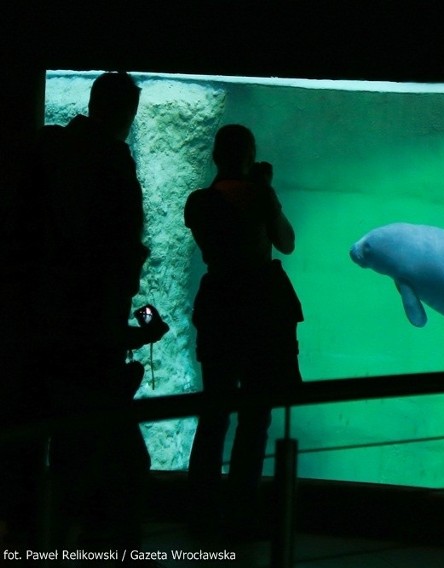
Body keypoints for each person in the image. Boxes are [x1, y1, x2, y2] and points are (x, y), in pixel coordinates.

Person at [1, 71, 168, 551]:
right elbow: (111, 255)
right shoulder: (111, 162)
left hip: (34, 329)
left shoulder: (48, 151)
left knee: (39, 441)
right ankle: (103, 546)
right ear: (124, 113)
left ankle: (35, 541)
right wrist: (125, 328)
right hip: (89, 336)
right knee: (107, 452)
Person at [185, 124, 303, 539]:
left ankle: (200, 509)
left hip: (218, 310)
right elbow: (286, 242)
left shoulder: (198, 203)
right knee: (255, 415)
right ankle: (240, 511)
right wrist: (266, 191)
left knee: (214, 412)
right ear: (251, 156)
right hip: (259, 314)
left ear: (216, 157)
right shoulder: (258, 196)